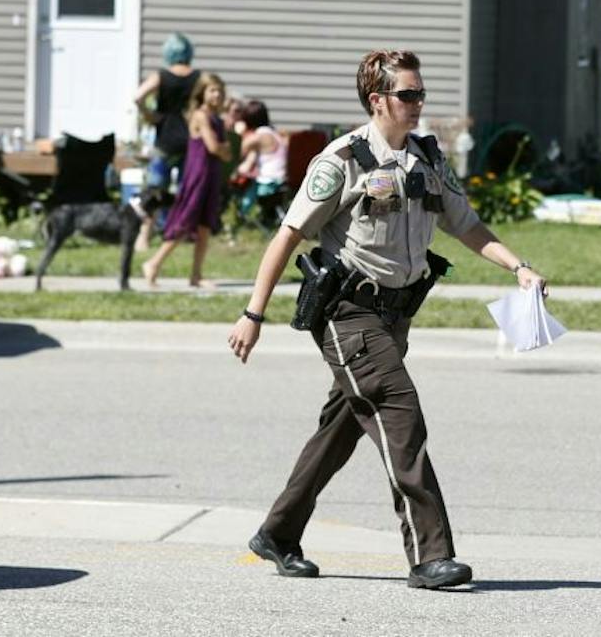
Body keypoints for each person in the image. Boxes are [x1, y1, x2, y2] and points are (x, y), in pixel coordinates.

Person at [227, 49, 548, 590]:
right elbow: (287, 235)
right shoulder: (341, 160)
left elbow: (465, 224)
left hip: (394, 316)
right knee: (400, 414)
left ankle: (277, 533)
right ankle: (429, 556)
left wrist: (518, 267)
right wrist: (252, 313)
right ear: (377, 101)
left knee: (341, 429)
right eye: (408, 95)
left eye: (420, 94)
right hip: (345, 312)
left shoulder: (425, 157)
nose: (418, 104)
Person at [142, 72, 230, 288]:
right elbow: (214, 147)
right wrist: (222, 149)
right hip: (198, 176)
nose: (217, 95)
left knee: (204, 227)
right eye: (212, 90)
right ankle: (153, 263)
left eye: (220, 90)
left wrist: (222, 149)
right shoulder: (201, 116)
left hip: (211, 176)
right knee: (185, 222)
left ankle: (196, 275)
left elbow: (227, 153)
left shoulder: (217, 119)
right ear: (202, 93)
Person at [133, 33, 199, 247]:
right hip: (191, 141)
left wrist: (149, 114)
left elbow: (138, 97)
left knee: (154, 190)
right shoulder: (198, 77)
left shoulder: (161, 76)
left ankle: (144, 236)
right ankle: (179, 234)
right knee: (185, 190)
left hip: (165, 140)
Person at [232, 100, 289, 229]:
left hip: (269, 183)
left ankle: (242, 215)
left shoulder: (259, 136)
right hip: (281, 180)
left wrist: (239, 132)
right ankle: (244, 216)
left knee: (242, 184)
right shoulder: (273, 132)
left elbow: (238, 152)